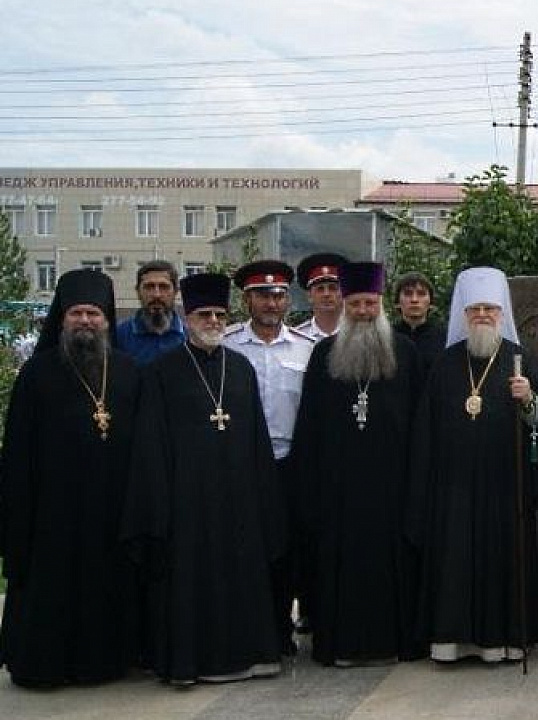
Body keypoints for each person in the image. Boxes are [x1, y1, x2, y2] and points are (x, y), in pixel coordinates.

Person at [123, 272, 284, 685]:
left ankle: (251, 656)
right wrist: (161, 505)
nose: (212, 321)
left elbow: (257, 440)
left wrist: (265, 499)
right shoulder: (162, 371)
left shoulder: (242, 368)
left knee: (241, 579)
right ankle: (190, 663)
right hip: (187, 503)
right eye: (203, 314)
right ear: (187, 316)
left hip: (240, 502)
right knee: (190, 584)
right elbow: (150, 446)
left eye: (218, 314)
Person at [0, 270, 142, 688]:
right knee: (52, 592)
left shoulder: (129, 372)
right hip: (51, 515)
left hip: (111, 511)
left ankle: (104, 662)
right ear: (61, 318)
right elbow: (18, 453)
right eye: (77, 312)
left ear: (106, 320)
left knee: (105, 588)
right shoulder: (36, 375)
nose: (85, 321)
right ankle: (45, 665)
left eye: (93, 313)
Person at [291, 261, 424, 667]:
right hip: (339, 490)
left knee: (391, 567)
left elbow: (421, 424)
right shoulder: (323, 355)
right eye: (356, 304)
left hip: (393, 487)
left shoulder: (405, 352)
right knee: (341, 570)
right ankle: (342, 646)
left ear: (382, 305)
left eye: (370, 303)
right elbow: (309, 425)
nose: (364, 311)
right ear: (345, 306)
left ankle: (393, 644)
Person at [415, 266, 538, 664]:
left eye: (490, 309)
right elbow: (427, 427)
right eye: (476, 310)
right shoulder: (445, 363)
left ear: (502, 314)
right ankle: (452, 642)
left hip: (504, 487)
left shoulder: (522, 360)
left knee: (500, 563)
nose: (483, 316)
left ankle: (502, 641)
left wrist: (528, 400)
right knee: (454, 563)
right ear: (464, 315)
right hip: (453, 488)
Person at [224, 260, 315, 654]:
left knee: (286, 550)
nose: (271, 303)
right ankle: (246, 628)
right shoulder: (226, 344)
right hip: (240, 466)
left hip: (289, 464)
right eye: (262, 295)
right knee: (245, 548)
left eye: (278, 295)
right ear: (247, 300)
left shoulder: (306, 348)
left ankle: (282, 628)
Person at [115, 260, 185, 364]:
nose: (157, 294)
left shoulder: (190, 336)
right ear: (138, 292)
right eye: (149, 287)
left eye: (164, 287)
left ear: (175, 292)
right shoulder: (119, 336)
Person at [392, 270, 446, 373]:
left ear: (431, 302)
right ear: (398, 302)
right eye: (408, 294)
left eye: (421, 294)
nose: (414, 299)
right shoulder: (387, 337)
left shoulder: (444, 338)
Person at [293, 253, 347, 340]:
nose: (326, 294)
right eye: (320, 289)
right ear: (309, 296)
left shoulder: (358, 335)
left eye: (333, 288)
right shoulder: (296, 338)